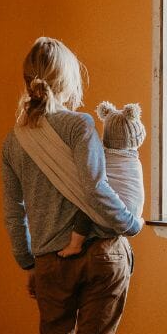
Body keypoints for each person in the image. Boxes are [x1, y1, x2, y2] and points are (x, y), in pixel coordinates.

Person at [0, 37, 143, 334]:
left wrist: (29, 263)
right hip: (101, 257)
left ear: (28, 81)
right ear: (68, 80)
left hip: (49, 263)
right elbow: (95, 191)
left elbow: (13, 213)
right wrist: (130, 223)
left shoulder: (14, 142)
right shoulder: (80, 127)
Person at [57, 101, 146, 259]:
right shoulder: (133, 160)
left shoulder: (103, 156)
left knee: (87, 204)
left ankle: (75, 245)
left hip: (115, 215)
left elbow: (94, 184)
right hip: (132, 213)